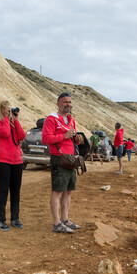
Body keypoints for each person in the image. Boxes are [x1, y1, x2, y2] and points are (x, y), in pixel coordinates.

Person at [42, 92, 81, 234]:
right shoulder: (51, 119)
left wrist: (75, 139)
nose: (68, 105)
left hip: (70, 159)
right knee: (57, 191)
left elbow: (71, 137)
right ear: (58, 104)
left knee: (68, 191)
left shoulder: (71, 120)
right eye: (65, 102)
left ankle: (65, 219)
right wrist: (64, 136)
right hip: (59, 158)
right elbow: (46, 138)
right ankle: (57, 222)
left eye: (70, 102)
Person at [0, 101, 26, 231]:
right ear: (1, 110)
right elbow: (5, 133)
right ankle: (0, 220)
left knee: (16, 192)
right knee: (3, 192)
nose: (9, 111)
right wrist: (6, 118)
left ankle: (15, 219)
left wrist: (15, 120)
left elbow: (22, 136)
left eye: (9, 109)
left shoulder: (12, 123)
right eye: (6, 109)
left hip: (16, 161)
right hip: (2, 161)